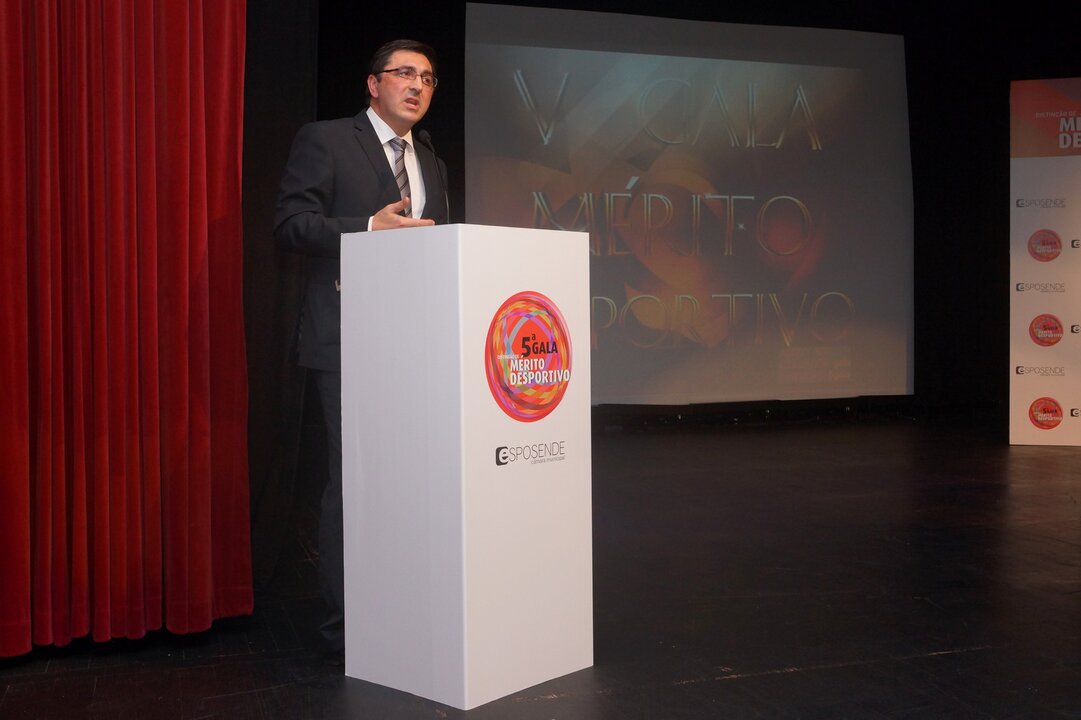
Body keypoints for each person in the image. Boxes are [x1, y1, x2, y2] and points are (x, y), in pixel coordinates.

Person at [273, 39, 449, 660]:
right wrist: (369, 227)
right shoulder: (327, 139)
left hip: (416, 347)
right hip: (347, 340)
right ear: (373, 84)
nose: (417, 85)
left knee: (409, 483)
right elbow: (291, 224)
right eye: (404, 73)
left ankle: (403, 609)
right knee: (355, 484)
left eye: (427, 77)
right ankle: (347, 627)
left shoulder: (430, 160)